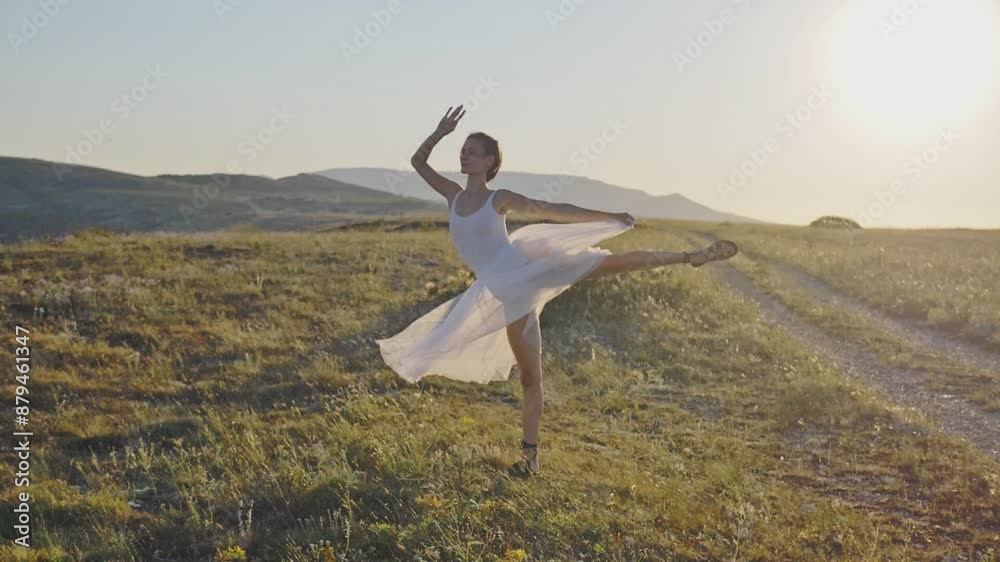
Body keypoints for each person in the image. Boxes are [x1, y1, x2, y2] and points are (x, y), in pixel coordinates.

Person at [376, 105, 739, 477]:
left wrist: (606, 217)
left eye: (472, 150)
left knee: (607, 265)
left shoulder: (497, 198)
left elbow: (549, 208)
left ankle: (688, 257)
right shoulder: (452, 195)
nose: (463, 154)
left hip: (525, 269)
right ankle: (530, 460)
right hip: (504, 291)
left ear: (488, 162)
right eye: (463, 148)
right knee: (531, 378)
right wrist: (440, 132)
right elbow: (418, 161)